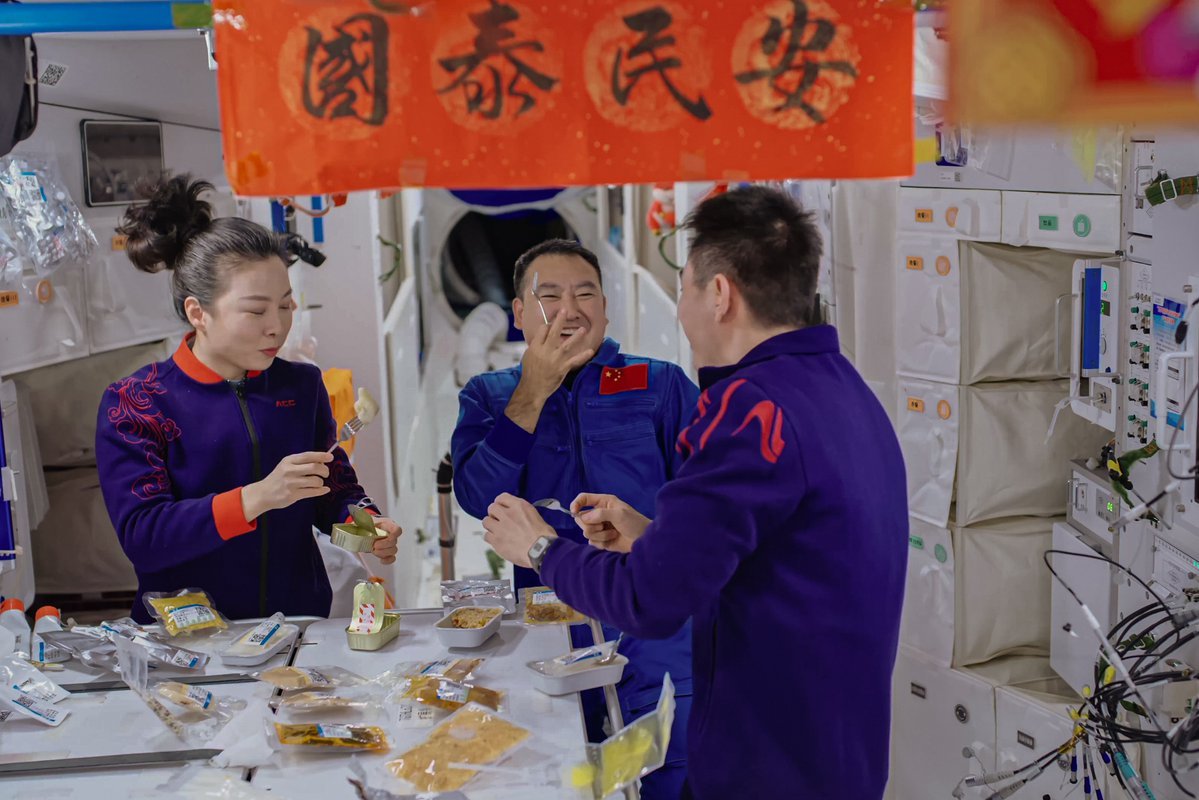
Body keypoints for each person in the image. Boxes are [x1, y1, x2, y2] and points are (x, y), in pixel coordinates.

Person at [479, 186, 907, 800]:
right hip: (841, 754)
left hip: (766, 766)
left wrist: (543, 549)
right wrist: (653, 537)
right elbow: (782, 559)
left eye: (682, 287)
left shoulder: (746, 411)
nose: (680, 307)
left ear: (720, 295)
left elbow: (651, 600)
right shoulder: (845, 391)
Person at [451, 238, 698, 799]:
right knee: (559, 777)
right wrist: (531, 395)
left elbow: (709, 505)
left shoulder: (659, 385)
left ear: (606, 308)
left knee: (672, 770)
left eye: (585, 293)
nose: (570, 309)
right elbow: (474, 494)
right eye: (550, 296)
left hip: (651, 624)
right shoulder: (488, 397)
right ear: (518, 313)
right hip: (547, 631)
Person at [95, 175, 401, 624]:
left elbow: (329, 489)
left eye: (285, 306)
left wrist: (366, 525)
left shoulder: (300, 387)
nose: (276, 326)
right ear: (197, 312)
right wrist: (255, 498)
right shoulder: (137, 402)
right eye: (256, 311)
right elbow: (145, 536)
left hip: (295, 627)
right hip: (187, 637)